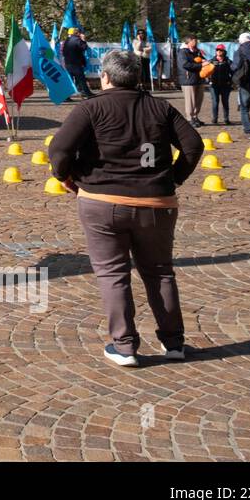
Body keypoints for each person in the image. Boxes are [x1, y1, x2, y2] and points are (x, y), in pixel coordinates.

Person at [49, 49, 204, 367]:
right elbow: (193, 144)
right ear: (137, 77)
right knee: (160, 271)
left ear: (105, 77)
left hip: (102, 202)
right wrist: (173, 179)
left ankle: (125, 346)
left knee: (113, 273)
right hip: (157, 203)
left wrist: (66, 176)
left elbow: (59, 149)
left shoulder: (91, 108)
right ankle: (174, 343)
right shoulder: (160, 107)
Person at [176, 35, 206, 127]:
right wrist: (201, 65)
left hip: (198, 78)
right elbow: (185, 65)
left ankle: (195, 117)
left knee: (198, 99)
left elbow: (202, 60)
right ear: (188, 42)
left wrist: (204, 61)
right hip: (188, 80)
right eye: (194, 40)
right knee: (190, 101)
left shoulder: (197, 51)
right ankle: (190, 119)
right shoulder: (182, 52)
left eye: (196, 40)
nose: (196, 42)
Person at [61, 27, 93, 99]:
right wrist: (84, 40)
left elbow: (63, 51)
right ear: (77, 33)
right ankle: (88, 94)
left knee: (69, 82)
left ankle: (66, 97)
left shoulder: (66, 40)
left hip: (68, 63)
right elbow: (84, 47)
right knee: (82, 80)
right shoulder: (77, 40)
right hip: (76, 64)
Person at [206, 44, 233, 126]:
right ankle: (215, 118)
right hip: (214, 85)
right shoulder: (212, 61)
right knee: (215, 102)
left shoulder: (228, 61)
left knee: (225, 102)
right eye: (217, 50)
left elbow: (233, 72)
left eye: (220, 50)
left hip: (225, 85)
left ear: (224, 51)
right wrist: (208, 80)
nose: (218, 51)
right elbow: (206, 72)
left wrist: (231, 82)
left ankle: (226, 119)